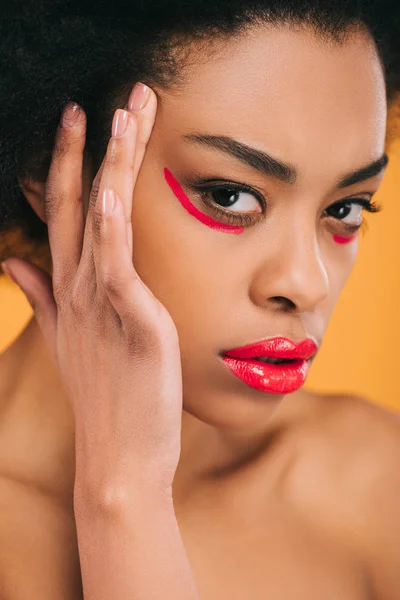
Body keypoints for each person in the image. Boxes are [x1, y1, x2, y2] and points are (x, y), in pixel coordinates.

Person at [0, 1, 399, 598]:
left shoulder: (374, 486)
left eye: (344, 209)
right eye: (231, 196)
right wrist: (122, 492)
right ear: (53, 172)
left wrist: (129, 497)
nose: (307, 283)